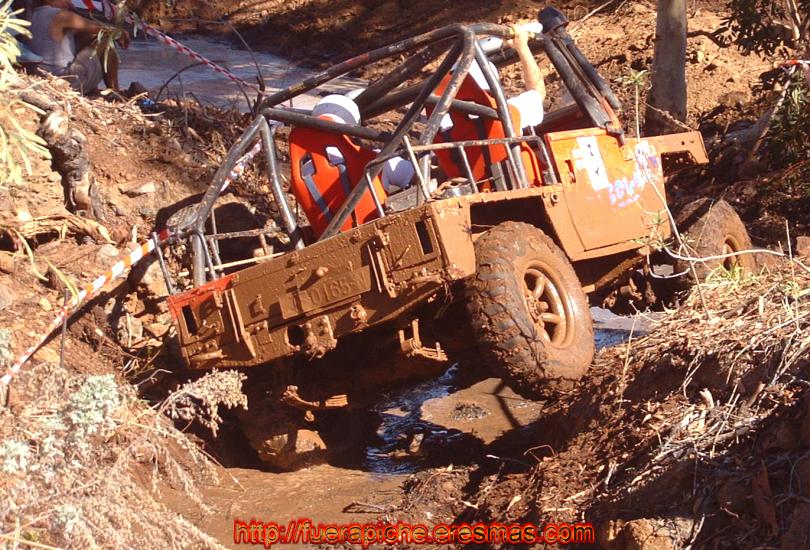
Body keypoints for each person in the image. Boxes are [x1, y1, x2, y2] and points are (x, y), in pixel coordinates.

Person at [28, 0, 129, 95]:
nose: (69, 2)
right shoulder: (62, 15)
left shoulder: (33, 15)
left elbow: (84, 33)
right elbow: (100, 29)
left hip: (43, 77)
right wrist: (119, 32)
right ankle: (114, 89)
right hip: (65, 80)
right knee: (105, 37)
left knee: (87, 37)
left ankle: (95, 89)